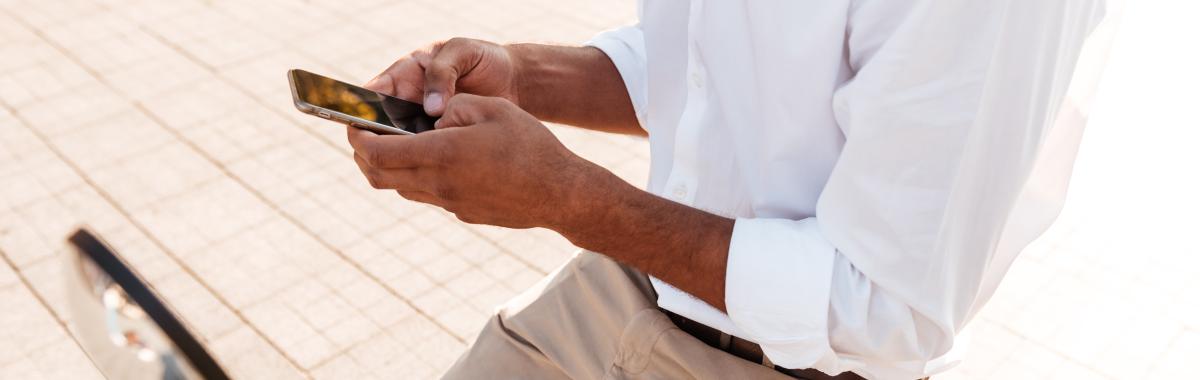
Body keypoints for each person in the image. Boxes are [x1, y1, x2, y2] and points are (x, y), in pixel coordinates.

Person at [345, 1, 1113, 378]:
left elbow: (881, 305)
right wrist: (526, 75)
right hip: (621, 293)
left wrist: (565, 199)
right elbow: (713, 70)